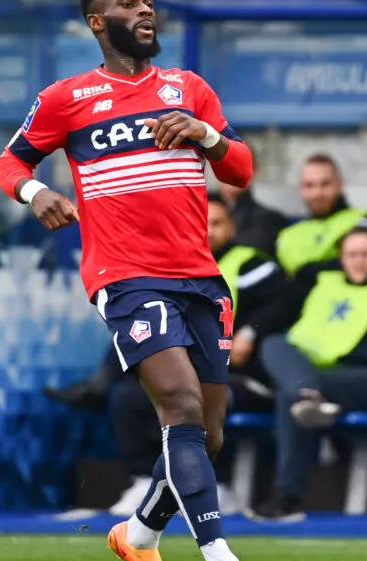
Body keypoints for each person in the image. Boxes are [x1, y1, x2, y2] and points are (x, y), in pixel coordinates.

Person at [0, 0, 273, 561]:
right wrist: (36, 193)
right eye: (128, 2)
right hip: (125, 275)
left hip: (200, 277)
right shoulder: (68, 97)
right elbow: (11, 161)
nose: (144, 10)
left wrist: (204, 133)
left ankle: (139, 535)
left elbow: (242, 169)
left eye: (148, 0)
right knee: (178, 404)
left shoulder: (188, 89)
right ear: (98, 21)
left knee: (210, 433)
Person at [109, 193, 289, 517]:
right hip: (187, 370)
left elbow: (284, 304)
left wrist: (250, 333)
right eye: (201, 223)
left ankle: (216, 485)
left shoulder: (251, 263)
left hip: (242, 376)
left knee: (205, 401)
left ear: (232, 226)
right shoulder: (171, 267)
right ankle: (143, 480)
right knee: (128, 396)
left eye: (217, 223)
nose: (208, 231)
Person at [251, 221, 367, 519]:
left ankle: (286, 496)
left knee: (289, 395)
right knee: (273, 343)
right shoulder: (325, 284)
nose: (359, 262)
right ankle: (307, 395)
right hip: (315, 373)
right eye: (351, 255)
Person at [276, 153, 367, 274]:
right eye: (309, 185)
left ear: (340, 185)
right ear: (301, 189)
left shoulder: (363, 221)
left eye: (325, 184)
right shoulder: (286, 235)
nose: (318, 193)